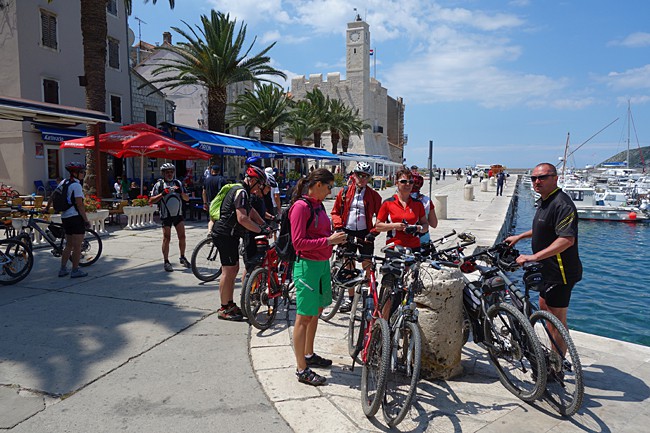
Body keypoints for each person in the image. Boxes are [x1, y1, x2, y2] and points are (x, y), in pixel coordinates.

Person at [505, 163, 582, 354]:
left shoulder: (562, 204)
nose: (537, 182)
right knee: (545, 309)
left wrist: (533, 257)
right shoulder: (545, 201)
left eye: (542, 177)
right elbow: (544, 228)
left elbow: (566, 239)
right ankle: (552, 355)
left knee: (557, 319)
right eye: (533, 178)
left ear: (555, 178)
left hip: (560, 271)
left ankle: (557, 365)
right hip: (546, 268)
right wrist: (520, 236)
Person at [290, 168, 347, 385]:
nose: (331, 191)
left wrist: (335, 240)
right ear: (319, 185)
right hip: (307, 266)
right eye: (330, 186)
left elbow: (321, 234)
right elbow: (298, 243)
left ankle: (308, 354)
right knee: (304, 317)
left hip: (322, 264)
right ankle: (301, 369)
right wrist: (328, 242)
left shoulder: (318, 206)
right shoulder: (300, 207)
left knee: (317, 311)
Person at [212, 165, 269, 321]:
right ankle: (224, 308)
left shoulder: (242, 191)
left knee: (233, 269)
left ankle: (229, 304)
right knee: (228, 271)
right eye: (260, 184)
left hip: (227, 234)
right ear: (253, 180)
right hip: (225, 234)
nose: (260, 188)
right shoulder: (241, 192)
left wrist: (263, 223)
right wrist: (260, 230)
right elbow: (242, 218)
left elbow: (250, 211)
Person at [376, 167, 428, 318]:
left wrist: (418, 228)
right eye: (404, 181)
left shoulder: (417, 204)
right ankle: (383, 322)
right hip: (394, 249)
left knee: (410, 288)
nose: (407, 184)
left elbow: (426, 225)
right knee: (390, 288)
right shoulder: (388, 203)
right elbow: (378, 225)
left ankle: (404, 322)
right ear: (397, 183)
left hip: (413, 249)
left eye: (410, 181)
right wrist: (395, 226)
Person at [330, 161, 382, 313]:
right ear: (354, 175)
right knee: (349, 266)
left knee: (367, 266)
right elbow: (335, 212)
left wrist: (373, 232)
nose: (362, 179)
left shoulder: (374, 196)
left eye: (366, 176)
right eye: (360, 175)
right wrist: (339, 227)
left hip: (365, 233)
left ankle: (368, 297)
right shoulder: (345, 192)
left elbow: (381, 217)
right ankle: (350, 298)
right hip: (347, 231)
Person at [149, 163, 191, 272]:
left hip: (178, 214)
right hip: (166, 215)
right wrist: (162, 194)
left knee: (182, 236)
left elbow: (187, 199)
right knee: (166, 238)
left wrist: (180, 193)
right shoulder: (159, 185)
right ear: (163, 173)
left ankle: (182, 256)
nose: (169, 174)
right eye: (167, 172)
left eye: (171, 172)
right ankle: (166, 261)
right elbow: (151, 200)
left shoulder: (178, 183)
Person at [58, 162, 90, 278]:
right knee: (77, 246)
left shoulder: (63, 182)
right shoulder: (76, 186)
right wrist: (86, 220)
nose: (83, 174)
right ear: (74, 173)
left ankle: (62, 269)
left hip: (65, 217)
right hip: (75, 217)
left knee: (69, 245)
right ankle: (75, 270)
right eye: (81, 172)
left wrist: (47, 208)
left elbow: (53, 195)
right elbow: (80, 205)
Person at [410, 174, 438, 249]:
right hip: (423, 239)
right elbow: (434, 224)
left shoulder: (398, 200)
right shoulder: (426, 201)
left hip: (403, 241)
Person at [202, 165, 224, 233]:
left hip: (210, 203)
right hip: (220, 203)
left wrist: (205, 203)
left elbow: (204, 192)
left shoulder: (207, 180)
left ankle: (209, 231)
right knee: (220, 220)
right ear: (219, 171)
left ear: (212, 171)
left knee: (211, 220)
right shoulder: (222, 180)